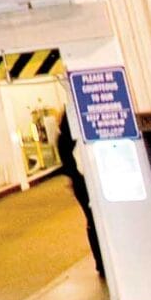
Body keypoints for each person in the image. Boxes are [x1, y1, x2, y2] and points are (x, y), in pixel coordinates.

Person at [55, 111, 106, 283]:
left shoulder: (62, 140)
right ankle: (104, 260)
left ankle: (101, 262)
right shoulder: (79, 141)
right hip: (87, 183)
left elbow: (68, 166)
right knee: (97, 221)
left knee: (92, 222)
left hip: (79, 185)